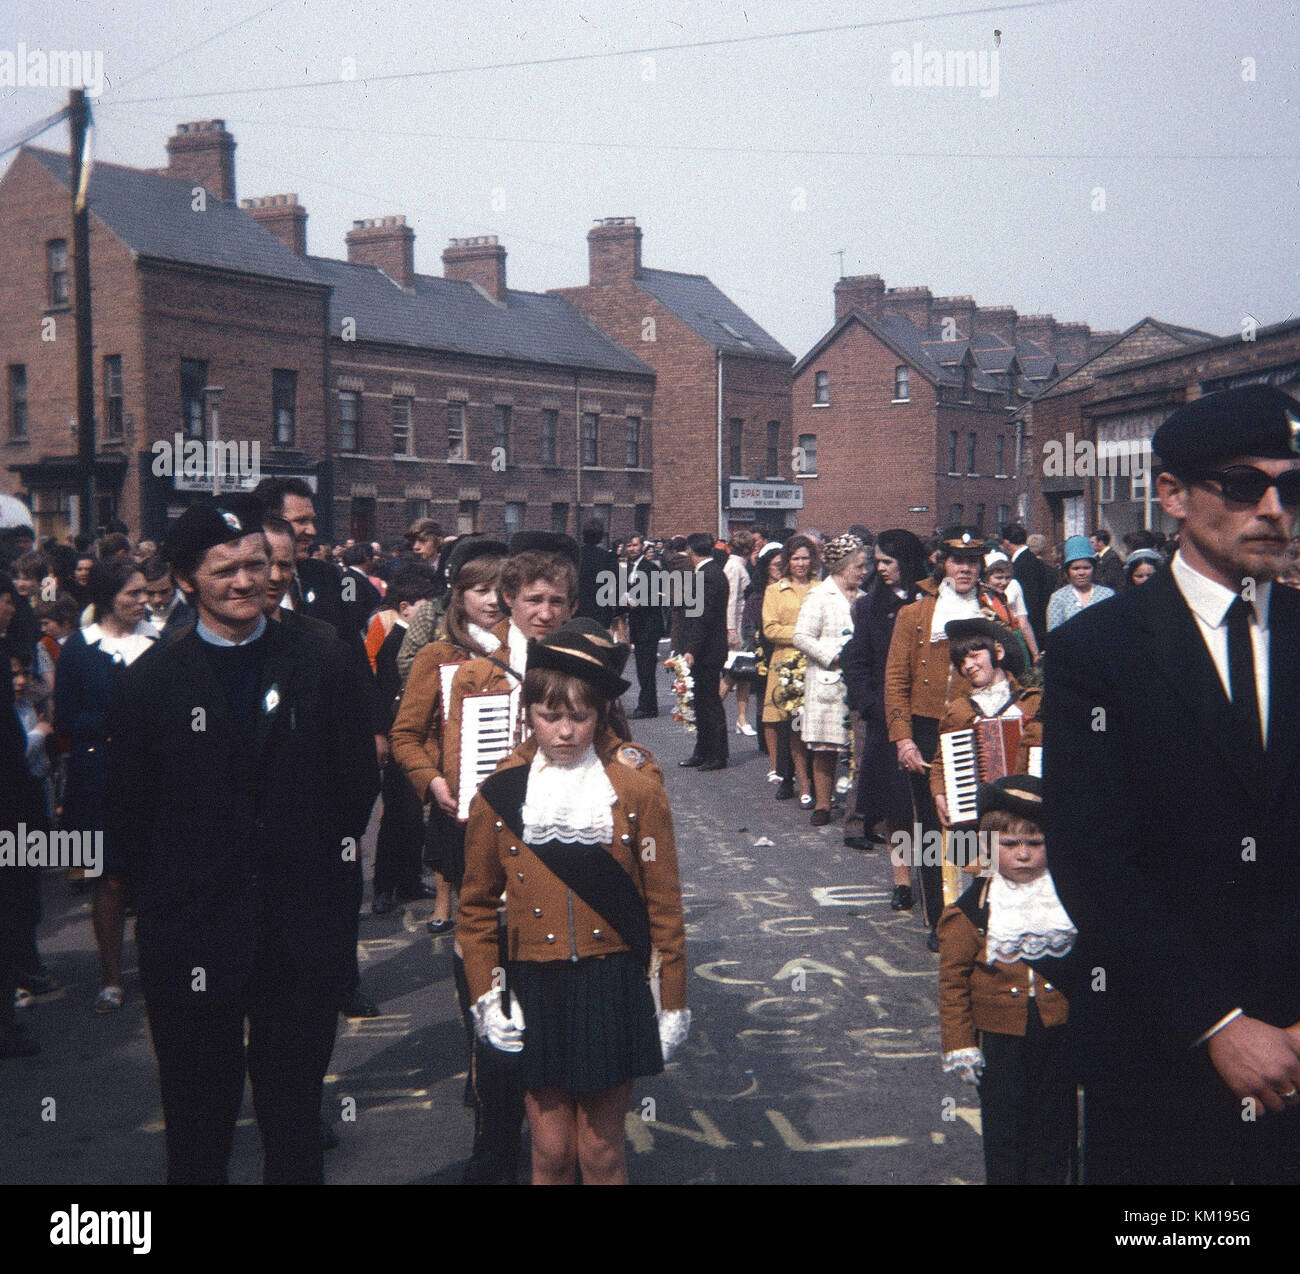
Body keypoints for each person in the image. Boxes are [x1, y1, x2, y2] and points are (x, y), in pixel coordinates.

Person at [1044, 383, 1300, 1184]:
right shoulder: (1100, 650)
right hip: (1160, 1050)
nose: (1272, 508)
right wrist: (1218, 1023)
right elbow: (1093, 860)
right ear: (1174, 496)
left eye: (1290, 488)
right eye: (1241, 484)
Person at [105, 494, 379, 1184]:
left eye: (257, 564)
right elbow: (129, 818)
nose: (246, 581)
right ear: (188, 579)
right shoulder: (149, 684)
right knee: (198, 1134)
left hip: (300, 931)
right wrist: (169, 902)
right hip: (192, 936)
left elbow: (355, 788)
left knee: (293, 1129)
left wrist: (313, 867)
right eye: (225, 569)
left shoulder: (324, 661)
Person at [458, 619, 687, 1185]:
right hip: (535, 982)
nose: (564, 732)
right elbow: (476, 906)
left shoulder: (633, 787)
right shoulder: (501, 791)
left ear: (602, 714)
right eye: (549, 716)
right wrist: (487, 995)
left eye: (579, 717)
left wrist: (673, 998)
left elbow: (664, 905)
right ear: (527, 713)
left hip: (610, 981)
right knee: (551, 1153)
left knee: (602, 1152)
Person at [938, 775, 1076, 1184]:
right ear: (986, 847)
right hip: (999, 1039)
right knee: (1005, 1133)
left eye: (1035, 844)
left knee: (1055, 1132)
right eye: (1010, 845)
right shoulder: (972, 912)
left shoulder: (1066, 905)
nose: (1023, 855)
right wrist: (960, 1043)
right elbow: (952, 983)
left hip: (1058, 1033)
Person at [390, 536, 509, 933]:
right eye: (481, 591)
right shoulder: (437, 655)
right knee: (475, 924)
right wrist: (433, 781)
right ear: (459, 596)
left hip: (517, 800)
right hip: (457, 793)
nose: (493, 600)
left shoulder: (527, 652)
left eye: (501, 590)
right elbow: (404, 735)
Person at [884, 529, 996, 950]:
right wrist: (903, 739)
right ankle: (939, 917)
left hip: (979, 725)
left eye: (972, 561)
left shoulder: (993, 608)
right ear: (942, 564)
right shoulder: (915, 615)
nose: (965, 569)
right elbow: (896, 679)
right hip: (928, 728)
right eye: (956, 560)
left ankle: (974, 911)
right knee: (932, 825)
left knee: (976, 821)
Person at [54, 558, 157, 1012]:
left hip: (154, 776)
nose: (144, 601)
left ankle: (163, 971)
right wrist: (117, 724)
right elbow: (65, 719)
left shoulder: (159, 643)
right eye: (133, 594)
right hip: (99, 778)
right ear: (106, 599)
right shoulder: (79, 648)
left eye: (146, 593)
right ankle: (111, 977)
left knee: (158, 879)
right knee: (110, 880)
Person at [841, 529, 927, 892]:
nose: (880, 569)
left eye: (888, 562)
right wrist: (871, 703)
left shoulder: (932, 600)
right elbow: (856, 661)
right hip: (885, 718)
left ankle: (937, 881)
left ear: (906, 561)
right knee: (896, 808)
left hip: (928, 716)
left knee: (931, 804)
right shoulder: (869, 606)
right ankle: (902, 882)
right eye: (877, 562)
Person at [930, 619, 1042, 831]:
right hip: (974, 818)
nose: (968, 666)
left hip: (1028, 824)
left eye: (974, 655)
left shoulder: (1032, 702)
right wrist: (939, 794)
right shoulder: (959, 710)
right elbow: (940, 761)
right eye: (962, 662)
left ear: (998, 652)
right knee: (971, 858)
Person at [793, 534, 867, 826]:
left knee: (856, 746)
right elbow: (801, 636)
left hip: (857, 681)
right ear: (841, 566)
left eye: (865, 567)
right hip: (828, 681)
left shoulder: (863, 598)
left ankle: (857, 805)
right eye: (859, 567)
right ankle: (823, 803)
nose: (864, 572)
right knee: (825, 747)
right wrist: (834, 657)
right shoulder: (820, 596)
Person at [761, 535, 818, 803]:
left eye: (805, 558)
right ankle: (787, 777)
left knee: (809, 726)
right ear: (787, 561)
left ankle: (812, 779)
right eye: (796, 558)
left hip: (815, 664)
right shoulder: (775, 590)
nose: (800, 563)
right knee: (788, 724)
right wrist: (803, 634)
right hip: (785, 665)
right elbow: (770, 628)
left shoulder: (821, 588)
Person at [677, 531, 730, 772]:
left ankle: (716, 754)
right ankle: (703, 750)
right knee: (699, 702)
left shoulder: (707, 577)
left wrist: (691, 650)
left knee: (709, 703)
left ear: (691, 551)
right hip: (708, 649)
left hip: (707, 651)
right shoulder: (711, 572)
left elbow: (702, 617)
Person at [622, 533, 665, 719]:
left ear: (642, 547)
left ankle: (648, 706)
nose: (631, 548)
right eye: (629, 545)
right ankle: (647, 703)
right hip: (638, 624)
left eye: (635, 545)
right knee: (641, 667)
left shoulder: (650, 568)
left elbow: (652, 597)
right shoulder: (630, 567)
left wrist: (632, 602)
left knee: (646, 668)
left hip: (649, 624)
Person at [719, 530, 755, 736]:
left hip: (743, 624)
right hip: (737, 625)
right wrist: (730, 628)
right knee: (734, 671)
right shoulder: (734, 566)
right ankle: (713, 710)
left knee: (745, 673)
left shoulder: (739, 565)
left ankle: (742, 718)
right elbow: (731, 599)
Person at [999, 524, 1055, 652]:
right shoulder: (1031, 560)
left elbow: (1030, 602)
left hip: (1031, 631)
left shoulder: (1023, 565)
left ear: (1006, 543)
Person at [1045, 536, 1116, 633]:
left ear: (1094, 569)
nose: (1081, 572)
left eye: (1086, 568)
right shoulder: (1058, 598)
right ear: (1067, 571)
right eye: (1076, 568)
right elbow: (1053, 636)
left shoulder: (1107, 595)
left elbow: (1114, 628)